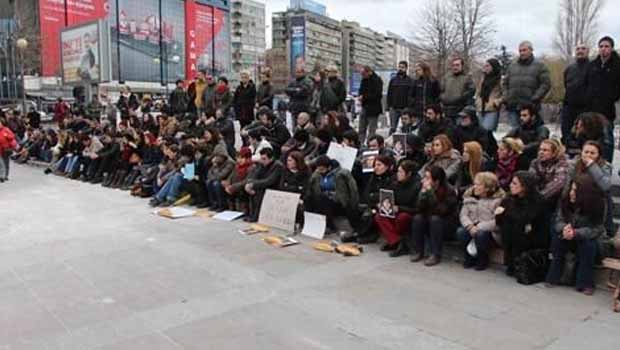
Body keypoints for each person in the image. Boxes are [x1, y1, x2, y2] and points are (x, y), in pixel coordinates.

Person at [546, 176, 605, 295]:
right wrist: (564, 228)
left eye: (575, 191)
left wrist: (576, 233)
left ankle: (585, 283)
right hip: (569, 236)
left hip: (591, 240)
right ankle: (553, 277)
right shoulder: (565, 201)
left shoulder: (598, 205)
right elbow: (558, 220)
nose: (571, 193)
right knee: (558, 239)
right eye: (571, 189)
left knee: (588, 245)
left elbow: (597, 229)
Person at [495, 171, 546, 276]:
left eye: (514, 183)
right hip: (513, 232)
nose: (510, 185)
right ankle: (511, 262)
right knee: (508, 228)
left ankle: (518, 263)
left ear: (524, 187)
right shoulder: (509, 198)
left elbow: (525, 218)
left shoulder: (537, 200)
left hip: (532, 234)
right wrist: (500, 214)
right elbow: (499, 220)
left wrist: (505, 213)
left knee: (517, 229)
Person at [410, 166, 459, 266]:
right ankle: (418, 251)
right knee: (418, 218)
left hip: (446, 223)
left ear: (436, 181)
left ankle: (435, 254)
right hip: (430, 220)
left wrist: (430, 193)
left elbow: (440, 211)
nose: (424, 180)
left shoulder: (449, 191)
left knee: (435, 219)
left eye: (428, 178)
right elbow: (418, 209)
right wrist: (422, 196)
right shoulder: (425, 188)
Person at [457, 172, 505, 270]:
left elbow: (497, 221)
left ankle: (482, 258)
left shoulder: (498, 200)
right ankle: (469, 257)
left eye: (478, 184)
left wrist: (479, 227)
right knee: (461, 232)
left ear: (487, 188)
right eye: (474, 184)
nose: (474, 187)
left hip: (490, 231)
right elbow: (463, 214)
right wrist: (470, 226)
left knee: (481, 234)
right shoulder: (469, 196)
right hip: (472, 226)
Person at [305, 155, 359, 239]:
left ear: (329, 167)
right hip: (322, 199)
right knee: (310, 199)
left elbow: (353, 190)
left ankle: (330, 226)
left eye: (322, 169)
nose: (320, 171)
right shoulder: (317, 174)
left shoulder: (342, 174)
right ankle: (311, 224)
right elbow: (311, 188)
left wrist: (353, 205)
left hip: (339, 201)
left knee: (323, 199)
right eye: (318, 169)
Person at [585, 36, 620, 162]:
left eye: (606, 46)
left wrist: (611, 97)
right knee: (591, 141)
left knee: (607, 141)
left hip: (607, 110)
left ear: (611, 48)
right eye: (601, 46)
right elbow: (586, 84)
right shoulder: (592, 65)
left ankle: (606, 168)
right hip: (591, 109)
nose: (603, 49)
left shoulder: (617, 65)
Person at [376, 160, 421, 256]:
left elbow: (416, 208)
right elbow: (389, 197)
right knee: (379, 215)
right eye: (398, 171)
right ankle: (396, 241)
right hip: (395, 210)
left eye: (401, 172)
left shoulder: (417, 186)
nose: (398, 174)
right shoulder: (396, 183)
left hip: (408, 213)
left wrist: (399, 208)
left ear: (408, 174)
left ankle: (396, 242)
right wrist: (383, 204)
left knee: (402, 217)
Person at [502, 41, 551, 128]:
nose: (522, 53)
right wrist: (506, 97)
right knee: (515, 133)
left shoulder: (540, 66)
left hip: (531, 106)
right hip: (513, 105)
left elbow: (545, 84)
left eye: (524, 50)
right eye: (520, 51)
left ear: (531, 50)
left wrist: (535, 98)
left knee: (533, 132)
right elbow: (505, 83)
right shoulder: (512, 66)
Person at [529, 138, 569, 238]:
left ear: (554, 152)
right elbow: (530, 180)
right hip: (538, 197)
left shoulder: (562, 163)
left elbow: (558, 184)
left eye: (545, 150)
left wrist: (539, 197)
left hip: (555, 199)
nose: (541, 152)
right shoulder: (535, 162)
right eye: (540, 149)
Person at [243, 148, 284, 222]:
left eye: (264, 159)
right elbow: (254, 176)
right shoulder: (262, 163)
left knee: (259, 191)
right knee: (248, 188)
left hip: (274, 187)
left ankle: (255, 216)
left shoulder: (278, 166)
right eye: (261, 158)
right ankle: (249, 213)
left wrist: (253, 185)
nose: (262, 161)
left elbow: (269, 181)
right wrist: (249, 184)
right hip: (262, 185)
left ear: (271, 158)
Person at [561, 44, 591, 144]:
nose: (580, 51)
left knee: (584, 135)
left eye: (583, 48)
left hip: (586, 108)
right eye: (578, 49)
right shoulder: (569, 69)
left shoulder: (593, 67)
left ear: (588, 51)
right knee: (566, 133)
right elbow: (566, 85)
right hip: (569, 107)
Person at [358, 66, 383, 145]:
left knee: (372, 130)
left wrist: (364, 97)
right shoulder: (364, 80)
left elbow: (377, 95)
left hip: (373, 108)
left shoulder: (377, 80)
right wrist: (360, 95)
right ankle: (360, 144)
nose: (362, 76)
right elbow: (361, 90)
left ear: (369, 72)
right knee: (361, 128)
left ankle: (370, 144)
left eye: (363, 74)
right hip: (364, 106)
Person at [387, 61, 414, 135]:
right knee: (393, 128)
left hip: (405, 108)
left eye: (402, 67)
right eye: (399, 67)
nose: (400, 69)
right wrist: (389, 106)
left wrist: (409, 106)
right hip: (394, 108)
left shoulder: (410, 81)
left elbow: (411, 95)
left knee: (406, 127)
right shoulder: (393, 80)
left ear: (406, 68)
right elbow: (389, 93)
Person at [476, 58, 503, 131]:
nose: (485, 68)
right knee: (480, 132)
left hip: (492, 109)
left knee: (487, 131)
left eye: (488, 66)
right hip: (481, 108)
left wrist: (497, 102)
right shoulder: (483, 78)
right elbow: (478, 92)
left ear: (493, 66)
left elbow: (505, 94)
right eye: (485, 66)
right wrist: (477, 101)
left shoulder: (500, 79)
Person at [0, 116, 17, 182]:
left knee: (6, 163)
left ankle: (6, 175)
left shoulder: (6, 129)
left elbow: (12, 136)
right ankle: (2, 176)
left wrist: (6, 136)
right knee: (1, 163)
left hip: (6, 149)